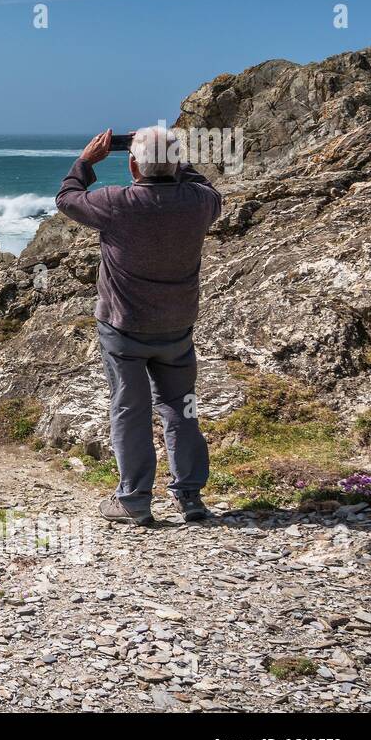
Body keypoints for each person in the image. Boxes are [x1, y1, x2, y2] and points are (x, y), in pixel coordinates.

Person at [56, 126, 222, 525]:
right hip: (177, 326)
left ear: (132, 164)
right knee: (181, 407)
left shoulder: (117, 203)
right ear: (177, 163)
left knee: (130, 407)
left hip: (123, 327)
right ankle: (190, 496)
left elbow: (67, 200)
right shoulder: (200, 203)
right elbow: (203, 186)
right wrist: (171, 155)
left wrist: (86, 161)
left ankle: (134, 499)